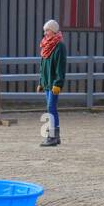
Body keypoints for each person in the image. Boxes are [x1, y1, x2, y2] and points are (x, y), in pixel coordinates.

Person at [37, 19, 66, 147]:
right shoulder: (45, 45)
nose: (45, 33)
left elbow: (61, 67)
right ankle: (55, 136)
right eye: (45, 31)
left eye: (47, 30)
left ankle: (52, 136)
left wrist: (58, 84)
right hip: (47, 83)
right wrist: (41, 82)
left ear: (53, 31)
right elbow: (42, 66)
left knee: (51, 108)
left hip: (54, 84)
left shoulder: (59, 46)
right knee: (50, 108)